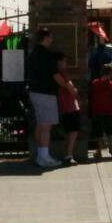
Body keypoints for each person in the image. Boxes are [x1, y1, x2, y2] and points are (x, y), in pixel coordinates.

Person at [27, 28, 76, 168]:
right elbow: (55, 76)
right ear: (46, 38)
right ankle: (44, 157)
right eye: (51, 37)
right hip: (46, 93)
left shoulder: (33, 54)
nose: (52, 40)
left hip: (34, 92)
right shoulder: (47, 55)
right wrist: (68, 87)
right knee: (46, 127)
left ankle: (40, 154)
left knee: (40, 124)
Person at [55, 52, 81, 166]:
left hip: (64, 105)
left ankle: (68, 154)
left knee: (68, 131)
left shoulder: (57, 74)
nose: (65, 63)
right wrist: (74, 90)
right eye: (64, 61)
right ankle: (69, 155)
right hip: (69, 105)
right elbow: (72, 90)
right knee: (73, 131)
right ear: (59, 62)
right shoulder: (62, 74)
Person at [90, 64, 112, 159]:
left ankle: (98, 151)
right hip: (110, 111)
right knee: (110, 131)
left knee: (98, 132)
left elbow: (92, 97)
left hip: (98, 111)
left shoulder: (95, 83)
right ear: (110, 74)